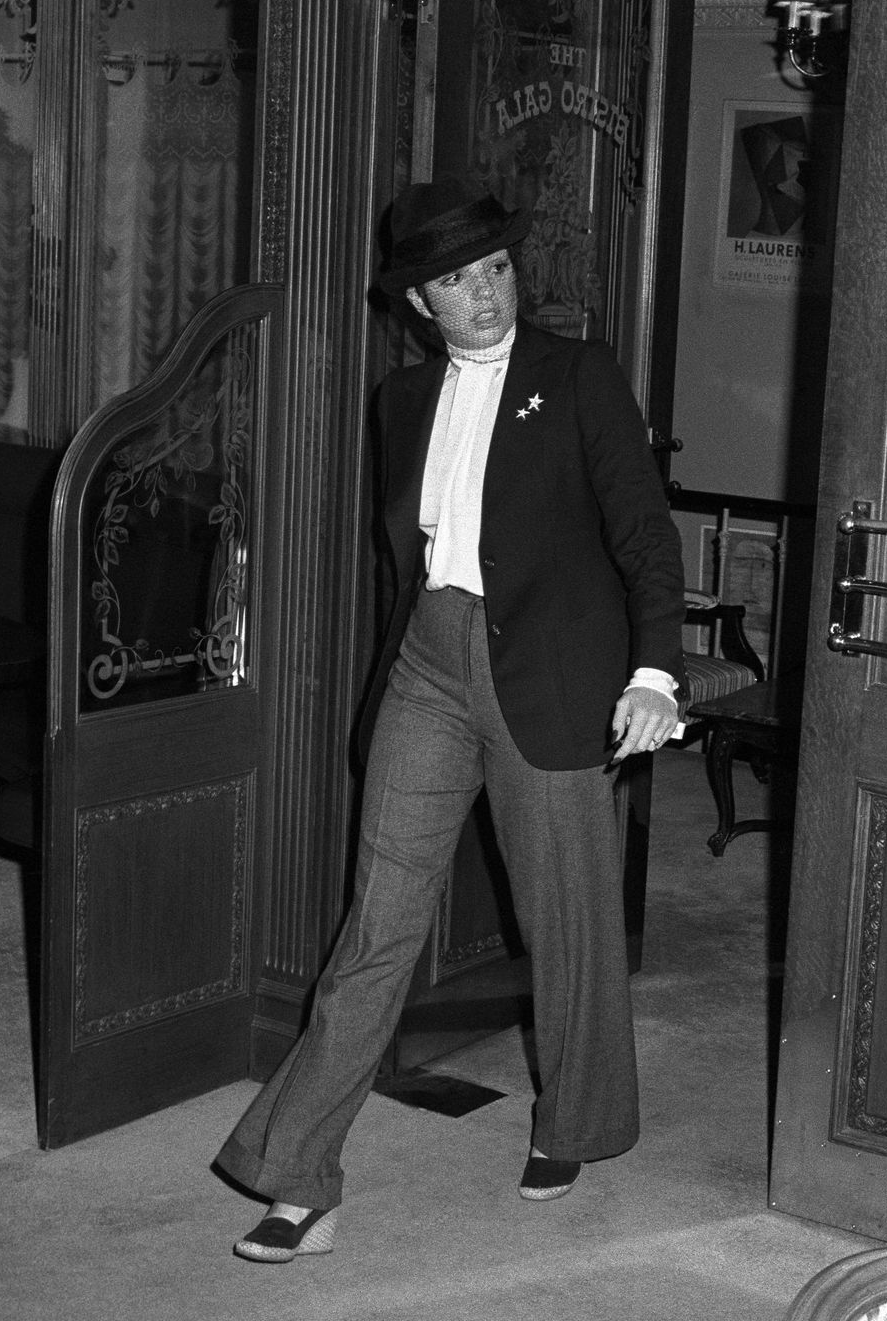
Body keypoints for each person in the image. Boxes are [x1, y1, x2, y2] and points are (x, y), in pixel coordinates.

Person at [215, 176, 687, 1263]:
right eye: (455, 281)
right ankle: (299, 1177)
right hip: (430, 663)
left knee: (563, 917)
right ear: (417, 301)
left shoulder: (578, 377)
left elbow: (644, 538)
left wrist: (656, 670)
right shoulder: (400, 401)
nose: (484, 294)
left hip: (558, 674)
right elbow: (407, 553)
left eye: (495, 269)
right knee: (376, 924)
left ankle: (578, 1122)